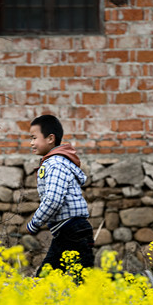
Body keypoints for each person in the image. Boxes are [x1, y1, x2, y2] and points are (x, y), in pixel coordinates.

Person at [27, 114, 95, 274]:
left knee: (48, 277)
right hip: (71, 230)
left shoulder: (55, 163)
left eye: (34, 138)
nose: (31, 143)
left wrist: (35, 222)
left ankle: (131, 290)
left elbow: (53, 199)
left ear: (50, 138)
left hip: (71, 230)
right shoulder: (57, 161)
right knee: (80, 278)